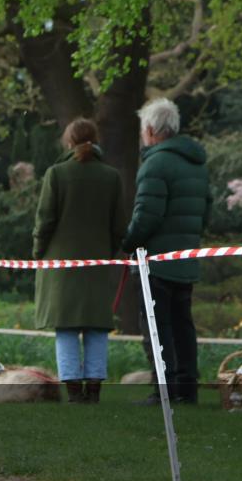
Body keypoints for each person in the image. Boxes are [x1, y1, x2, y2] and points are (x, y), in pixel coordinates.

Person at [122, 98, 211, 405]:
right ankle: (187, 388)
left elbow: (146, 215)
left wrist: (127, 242)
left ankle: (164, 389)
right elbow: (205, 212)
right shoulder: (196, 164)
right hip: (186, 258)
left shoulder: (155, 164)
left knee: (156, 328)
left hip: (156, 262)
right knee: (183, 325)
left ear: (150, 130)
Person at [33, 118, 126, 404]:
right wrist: (110, 253)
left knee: (67, 326)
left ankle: (73, 391)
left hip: (61, 265)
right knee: (97, 325)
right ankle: (94, 390)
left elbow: (45, 219)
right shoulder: (112, 176)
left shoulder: (56, 174)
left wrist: (38, 251)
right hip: (98, 263)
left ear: (68, 141)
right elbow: (118, 225)